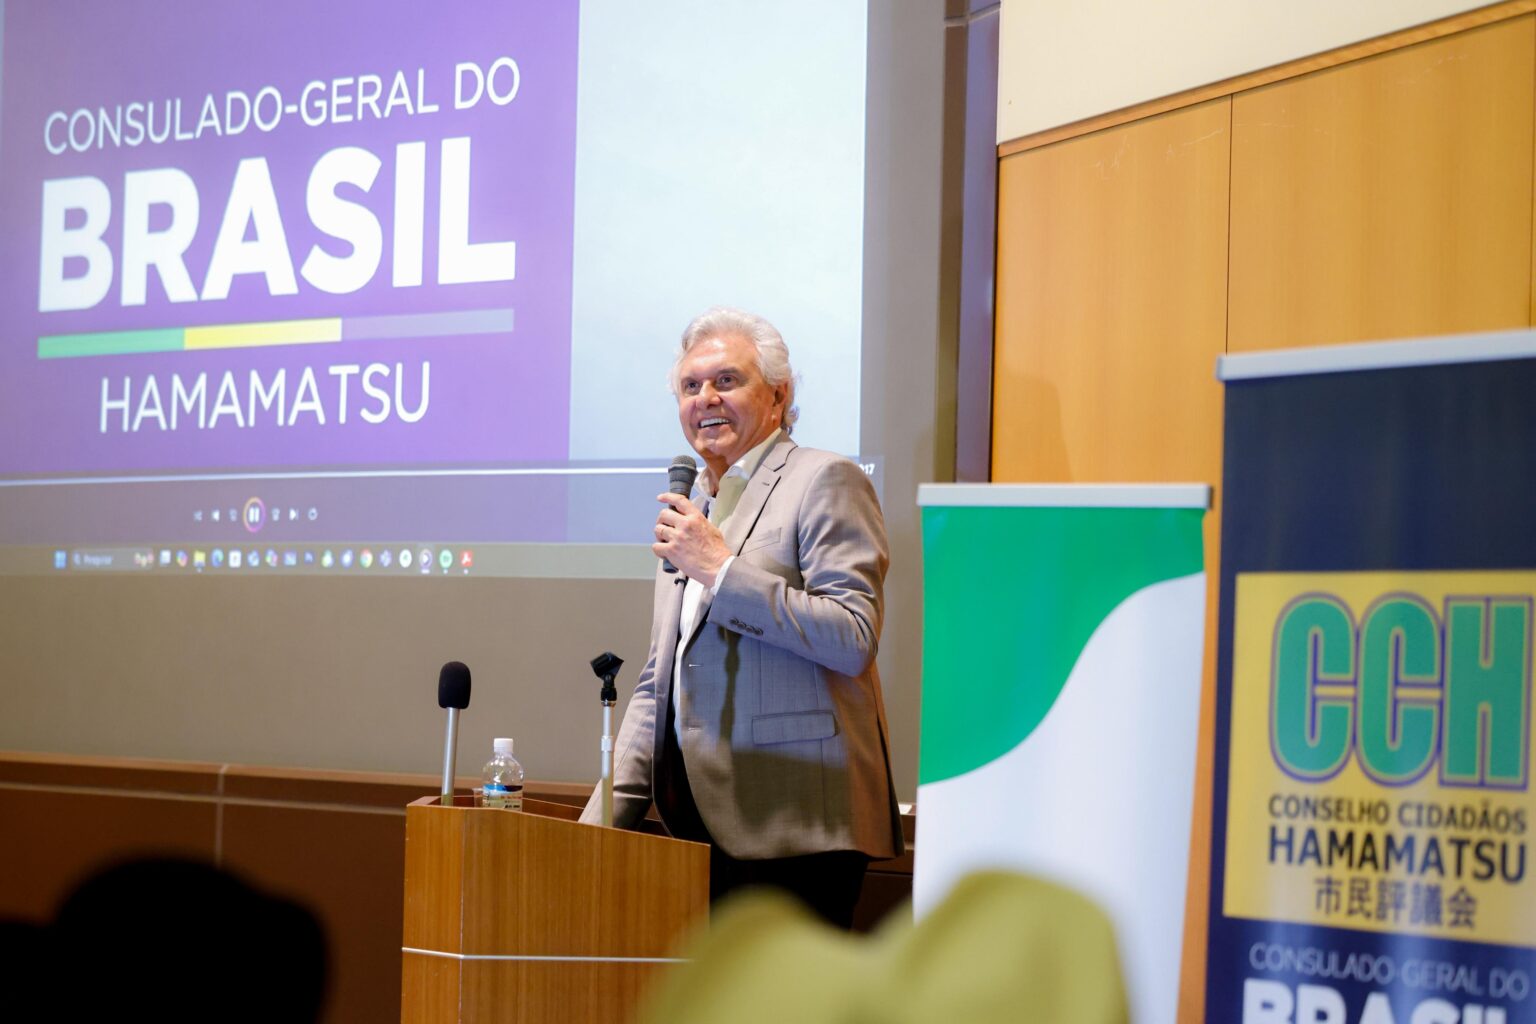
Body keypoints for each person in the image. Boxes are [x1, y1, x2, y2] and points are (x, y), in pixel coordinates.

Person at [580, 306, 903, 928]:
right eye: (691, 386)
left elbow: (853, 635)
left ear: (778, 396)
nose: (706, 399)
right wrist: (597, 829)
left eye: (727, 381)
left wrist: (722, 570)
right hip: (696, 833)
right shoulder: (695, 510)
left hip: (798, 828)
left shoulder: (824, 479)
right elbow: (658, 684)